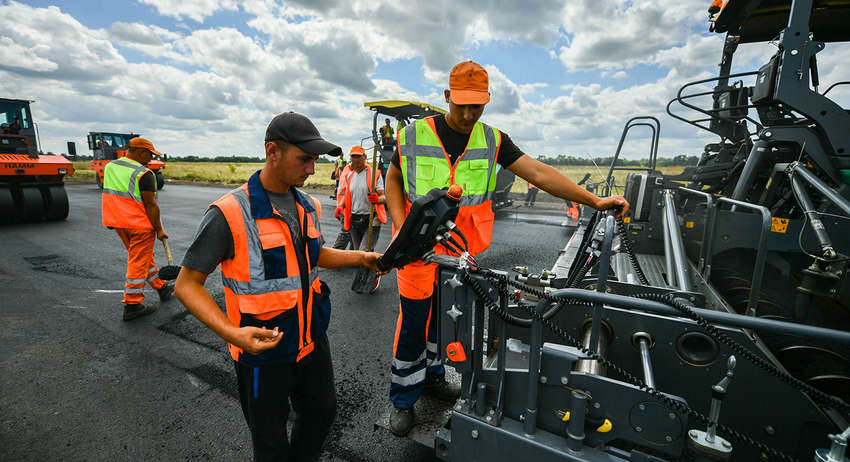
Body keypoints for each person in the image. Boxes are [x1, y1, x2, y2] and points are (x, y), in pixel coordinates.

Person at [383, 61, 630, 436]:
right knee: (414, 325)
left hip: (460, 255)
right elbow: (394, 176)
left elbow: (539, 173)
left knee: (446, 321)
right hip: (418, 252)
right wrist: (401, 227)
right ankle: (403, 399)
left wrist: (594, 201)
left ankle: (432, 376)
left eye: (476, 106)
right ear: (447, 96)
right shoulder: (413, 135)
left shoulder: (493, 140)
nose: (468, 114)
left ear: (487, 101)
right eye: (461, 105)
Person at [174, 112, 384, 462]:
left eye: (314, 160)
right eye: (305, 159)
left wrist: (361, 257)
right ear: (273, 151)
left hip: (310, 340)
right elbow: (187, 285)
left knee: (321, 414)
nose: (312, 170)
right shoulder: (229, 212)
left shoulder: (307, 205)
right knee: (270, 442)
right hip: (261, 351)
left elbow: (314, 254)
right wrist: (232, 334)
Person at [101, 137, 174, 321]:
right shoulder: (144, 174)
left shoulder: (110, 167)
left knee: (143, 257)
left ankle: (162, 287)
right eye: (150, 155)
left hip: (119, 222)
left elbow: (111, 194)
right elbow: (151, 205)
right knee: (138, 262)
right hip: (139, 225)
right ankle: (132, 305)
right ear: (141, 152)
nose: (151, 159)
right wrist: (159, 230)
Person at [335, 145, 387, 292]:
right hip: (354, 218)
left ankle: (374, 275)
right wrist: (340, 207)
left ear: (364, 157)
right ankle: (368, 276)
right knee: (360, 253)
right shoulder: (350, 175)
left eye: (359, 156)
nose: (356, 159)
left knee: (364, 251)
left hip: (371, 218)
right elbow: (347, 195)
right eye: (353, 156)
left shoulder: (374, 174)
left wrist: (377, 198)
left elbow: (384, 197)